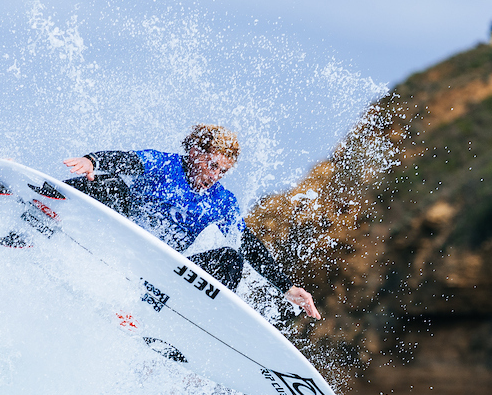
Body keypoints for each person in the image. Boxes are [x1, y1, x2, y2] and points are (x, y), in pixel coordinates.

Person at [62, 124, 321, 319]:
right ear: (196, 153)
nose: (216, 176)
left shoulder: (221, 201)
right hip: (123, 238)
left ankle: (196, 319)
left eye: (223, 171)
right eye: (213, 166)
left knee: (231, 258)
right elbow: (127, 160)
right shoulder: (165, 165)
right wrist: (92, 160)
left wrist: (287, 287)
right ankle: (38, 203)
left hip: (163, 272)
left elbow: (249, 245)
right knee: (109, 184)